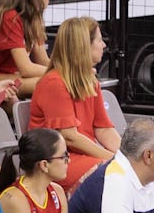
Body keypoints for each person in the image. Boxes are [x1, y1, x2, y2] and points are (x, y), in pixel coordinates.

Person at [28, 17, 117, 190]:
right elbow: (70, 137)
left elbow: (103, 128)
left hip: (81, 157)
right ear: (84, 46)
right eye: (99, 40)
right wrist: (112, 159)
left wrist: (127, 157)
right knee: (114, 174)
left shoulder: (90, 81)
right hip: (57, 161)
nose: (104, 45)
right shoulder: (54, 83)